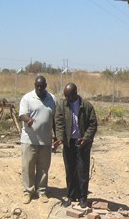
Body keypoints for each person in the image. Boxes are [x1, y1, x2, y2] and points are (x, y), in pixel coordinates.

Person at [54, 82, 98, 208]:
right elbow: (59, 123)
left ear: (75, 93)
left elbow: (92, 124)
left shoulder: (86, 106)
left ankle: (83, 197)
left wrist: (86, 138)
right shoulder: (62, 105)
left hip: (82, 143)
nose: (67, 99)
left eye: (69, 96)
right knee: (70, 170)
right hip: (69, 143)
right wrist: (60, 138)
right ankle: (71, 196)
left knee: (82, 171)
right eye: (65, 96)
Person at [18, 75, 59, 204]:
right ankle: (28, 191)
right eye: (37, 86)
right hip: (29, 139)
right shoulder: (27, 98)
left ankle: (41, 191)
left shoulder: (52, 99)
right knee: (28, 166)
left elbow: (55, 119)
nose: (40, 88)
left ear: (46, 85)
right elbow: (22, 114)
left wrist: (57, 136)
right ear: (34, 85)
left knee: (43, 167)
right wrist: (28, 120)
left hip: (45, 140)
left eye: (42, 86)